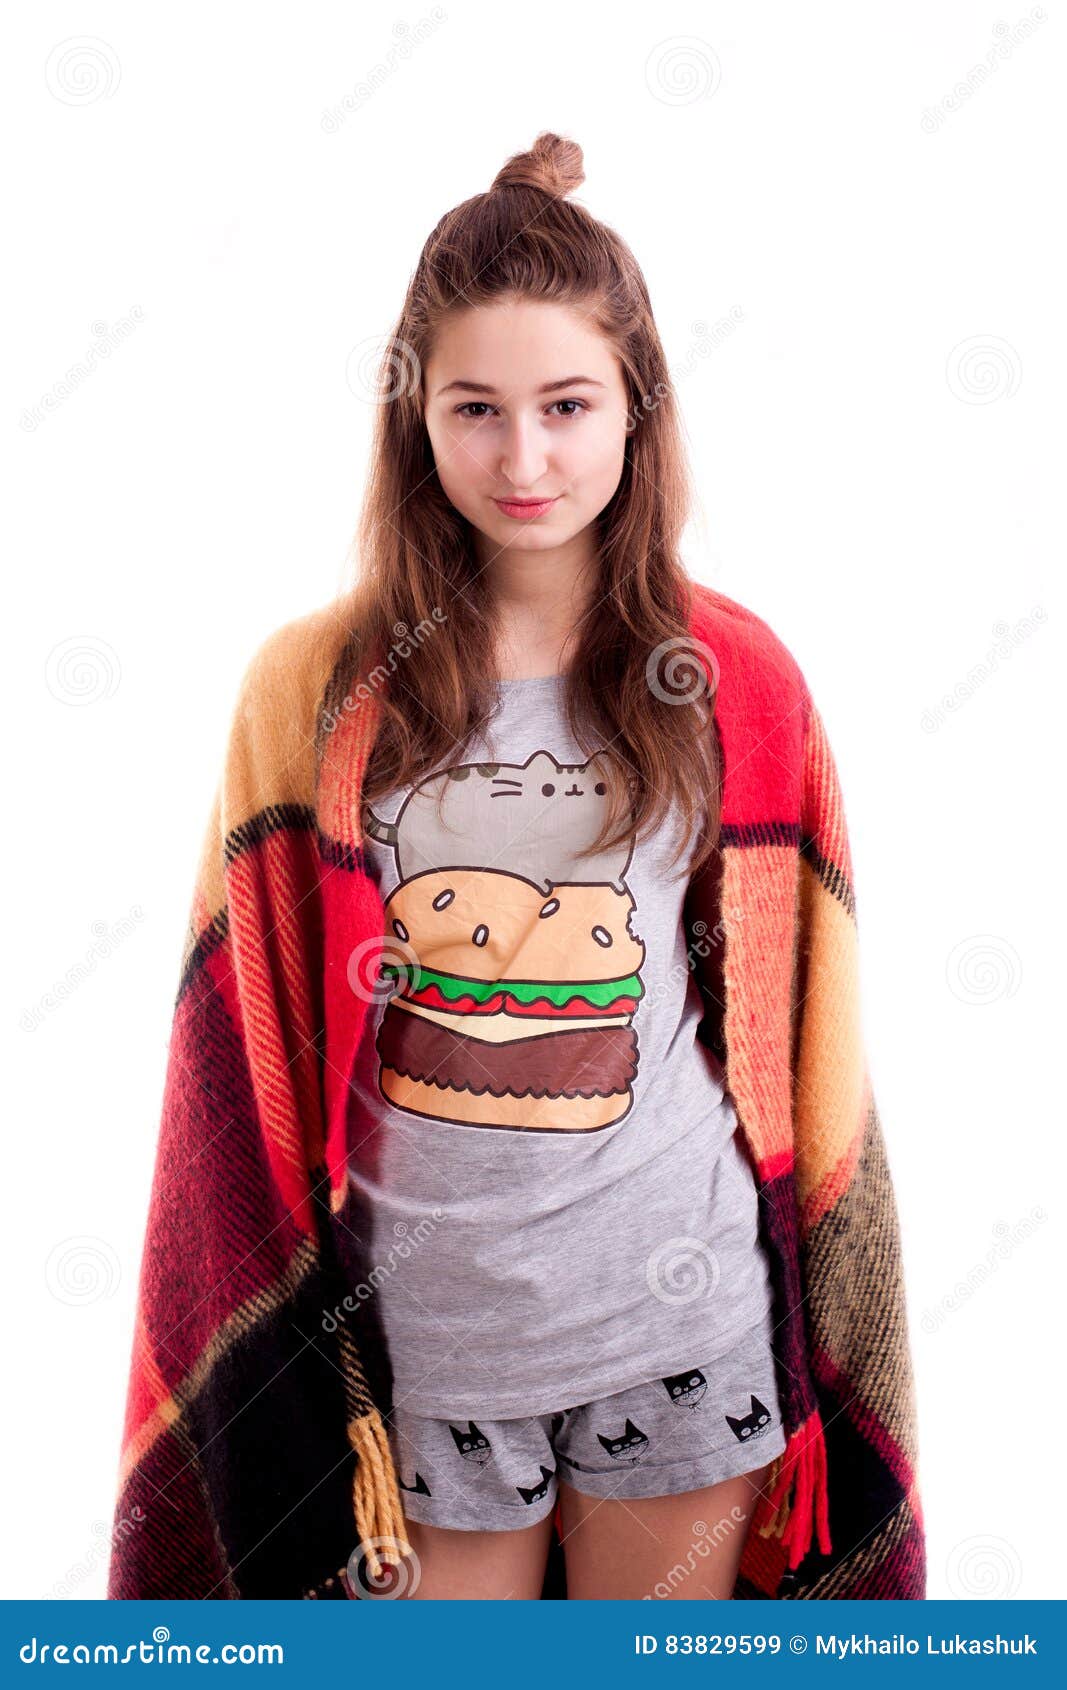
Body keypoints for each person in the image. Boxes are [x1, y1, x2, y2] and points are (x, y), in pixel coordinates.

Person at [108, 132, 923, 1603]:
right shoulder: (313, 689)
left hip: (684, 1329)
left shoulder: (732, 677)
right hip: (424, 1356)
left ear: (637, 408)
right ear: (415, 416)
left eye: (566, 405)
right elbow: (248, 1054)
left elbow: (795, 1035)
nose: (525, 457)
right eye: (476, 409)